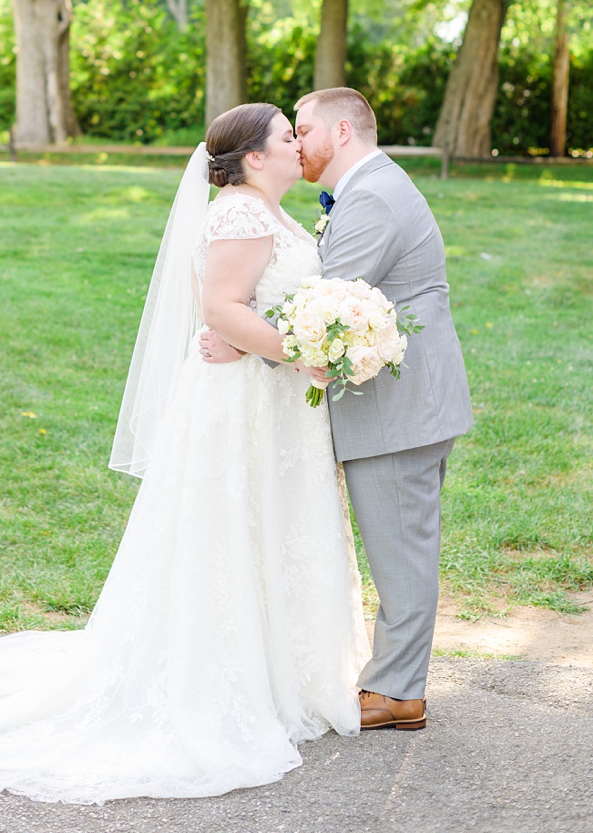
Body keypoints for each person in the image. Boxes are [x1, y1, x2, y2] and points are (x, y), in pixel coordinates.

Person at [0, 103, 370, 803]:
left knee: (268, 526)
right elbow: (222, 308)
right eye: (286, 135)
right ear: (254, 157)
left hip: (271, 402)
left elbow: (252, 306)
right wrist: (303, 350)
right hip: (241, 406)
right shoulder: (240, 215)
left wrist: (304, 341)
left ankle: (286, 672)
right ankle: (226, 677)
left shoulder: (273, 213)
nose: (295, 142)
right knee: (232, 529)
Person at [201, 87, 472, 732]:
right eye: (288, 133)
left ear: (342, 131)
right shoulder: (366, 189)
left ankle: (397, 691)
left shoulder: (372, 197)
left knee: (401, 548)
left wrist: (241, 344)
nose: (297, 143)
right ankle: (391, 682)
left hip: (399, 410)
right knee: (399, 544)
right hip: (395, 405)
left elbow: (321, 304)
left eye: (304, 129)